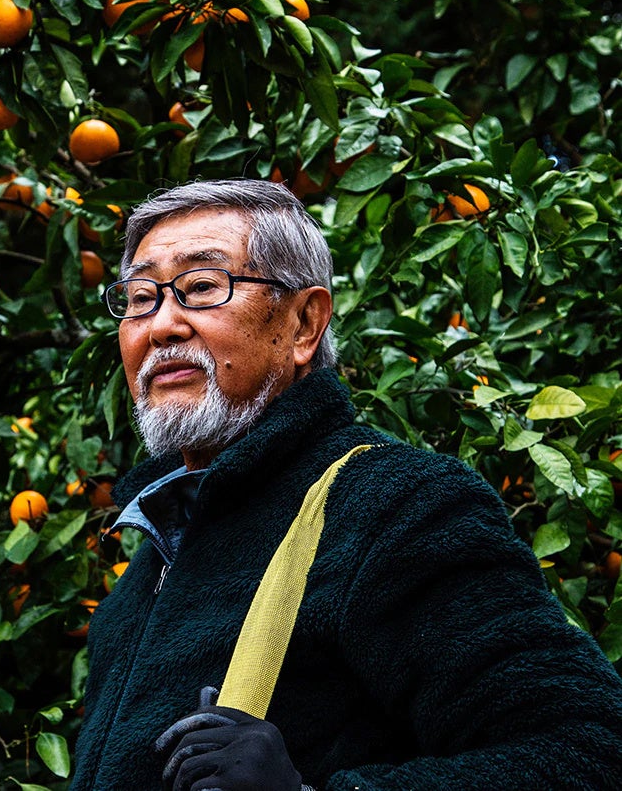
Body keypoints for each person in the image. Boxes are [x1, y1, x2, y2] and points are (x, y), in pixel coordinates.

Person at [69, 179, 622, 790]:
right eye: (141, 297)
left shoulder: (394, 506)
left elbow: (587, 750)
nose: (162, 324)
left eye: (202, 287)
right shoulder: (141, 581)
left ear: (305, 324)